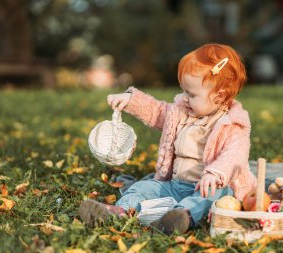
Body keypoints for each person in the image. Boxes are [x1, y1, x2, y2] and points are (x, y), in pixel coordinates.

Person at [79, 43, 256, 235]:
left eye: (191, 93)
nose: (185, 97)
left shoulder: (233, 123)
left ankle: (181, 217)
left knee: (216, 196)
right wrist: (130, 100)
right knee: (144, 187)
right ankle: (120, 212)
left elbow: (235, 154)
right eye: (183, 91)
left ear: (219, 96)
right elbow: (157, 111)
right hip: (175, 184)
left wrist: (215, 172)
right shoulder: (181, 111)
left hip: (207, 186)